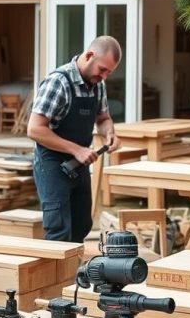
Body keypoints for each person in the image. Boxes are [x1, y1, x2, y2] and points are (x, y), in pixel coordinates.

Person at [28, 36, 122, 242]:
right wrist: (76, 149)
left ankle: (72, 274)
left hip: (79, 161)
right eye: (102, 69)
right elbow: (35, 129)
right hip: (51, 162)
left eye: (109, 72)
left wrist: (109, 133)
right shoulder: (58, 82)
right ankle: (55, 275)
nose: (104, 76)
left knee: (82, 225)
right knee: (59, 229)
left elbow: (103, 118)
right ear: (89, 56)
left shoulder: (97, 84)